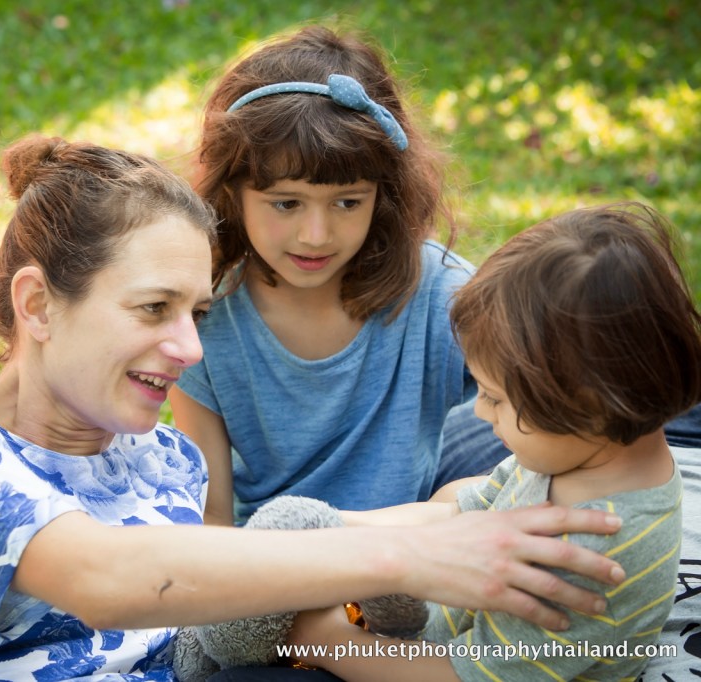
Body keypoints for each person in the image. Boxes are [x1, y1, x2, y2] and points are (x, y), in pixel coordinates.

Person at [0, 136, 629, 681]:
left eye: (198, 314)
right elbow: (101, 577)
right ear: (38, 306)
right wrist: (411, 558)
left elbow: (240, 587)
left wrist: (464, 521)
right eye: (153, 310)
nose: (189, 350)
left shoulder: (161, 457)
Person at [282, 202, 701, 682]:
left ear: (591, 407)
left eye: (496, 398)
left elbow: (463, 676)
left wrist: (327, 640)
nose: (479, 411)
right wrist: (331, 531)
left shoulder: (586, 555)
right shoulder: (581, 455)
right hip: (434, 628)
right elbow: (462, 507)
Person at [168, 25, 478, 526]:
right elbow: (213, 522)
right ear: (233, 193)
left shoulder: (441, 295)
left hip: (411, 560)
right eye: (286, 203)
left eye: (348, 202)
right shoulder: (201, 315)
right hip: (274, 574)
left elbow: (552, 428)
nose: (316, 235)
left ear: (384, 195)